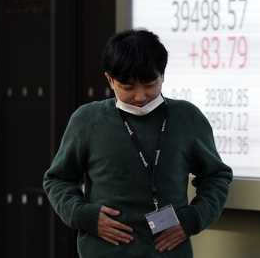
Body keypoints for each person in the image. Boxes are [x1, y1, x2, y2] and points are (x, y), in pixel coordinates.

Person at [43, 29, 233, 257]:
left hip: (169, 251)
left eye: (150, 84)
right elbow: (57, 180)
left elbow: (216, 176)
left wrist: (192, 219)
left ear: (163, 76)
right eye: (128, 87)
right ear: (110, 80)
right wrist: (84, 216)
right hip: (103, 251)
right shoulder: (87, 120)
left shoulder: (187, 117)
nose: (140, 96)